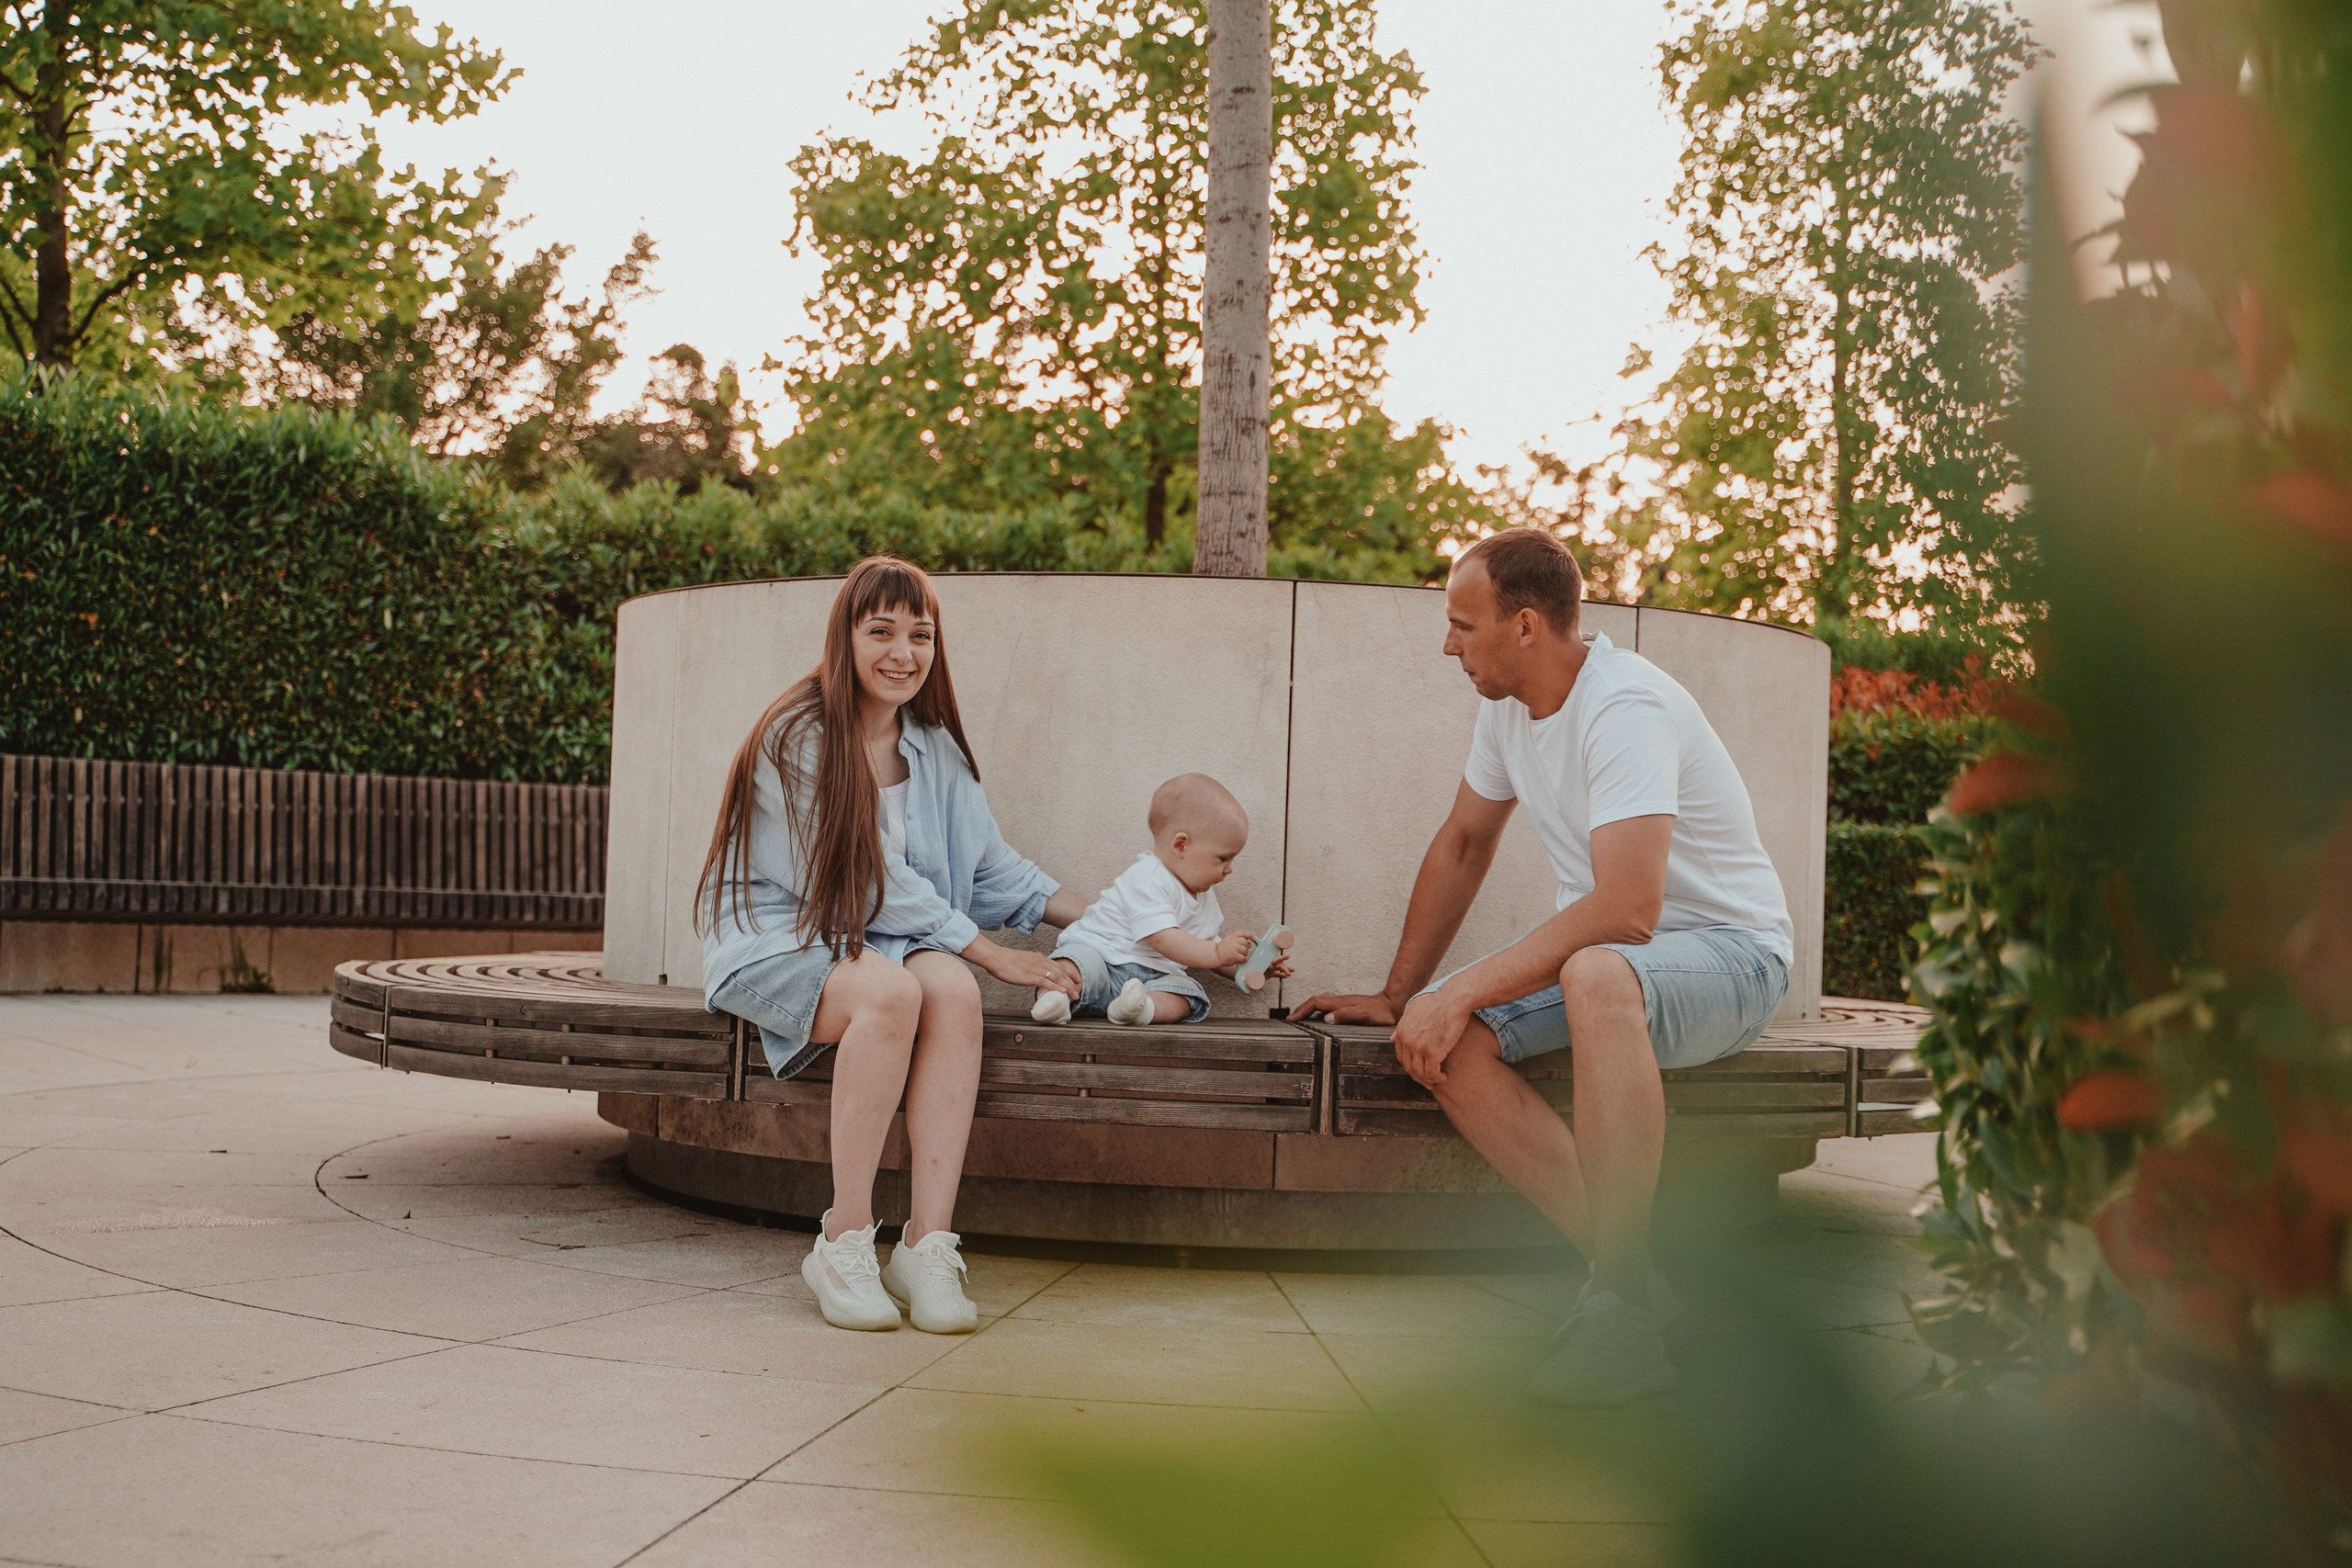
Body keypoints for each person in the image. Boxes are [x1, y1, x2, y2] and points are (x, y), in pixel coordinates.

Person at [1294, 528, 1792, 1405]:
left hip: (1732, 957)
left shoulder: (1624, 709)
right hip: (1618, 967)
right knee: (1440, 1041)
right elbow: (1464, 842)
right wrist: (1403, 994)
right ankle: (1636, 1278)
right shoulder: (1507, 708)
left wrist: (1464, 988)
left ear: (1524, 625)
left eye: (1461, 623)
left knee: (1596, 970)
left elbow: (1628, 909)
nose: (1447, 644)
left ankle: (1623, 1309)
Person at [695, 557, 1086, 1337]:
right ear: (845, 637)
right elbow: (862, 874)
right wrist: (990, 948)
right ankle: (844, 1239)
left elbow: (992, 868)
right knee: (895, 990)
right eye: (881, 631)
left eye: (921, 634)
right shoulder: (796, 736)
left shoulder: (933, 745)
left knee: (955, 991)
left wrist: (1112, 924)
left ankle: (926, 1244)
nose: (903, 651)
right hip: (779, 936)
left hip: (877, 938)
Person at [1029, 772, 1294, 1026]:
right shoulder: (1148, 877)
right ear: (1181, 845)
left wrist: (1244, 967)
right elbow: (1164, 939)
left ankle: (1140, 1009)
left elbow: (1204, 945)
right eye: (1223, 858)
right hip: (1103, 961)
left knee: (1188, 993)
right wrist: (1217, 952)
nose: (1230, 868)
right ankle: (1054, 1000)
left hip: (1149, 981)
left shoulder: (1203, 896)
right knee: (1073, 963)